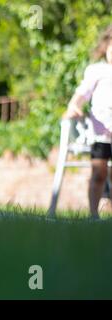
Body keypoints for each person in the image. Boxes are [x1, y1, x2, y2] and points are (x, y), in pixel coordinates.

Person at [64, 25, 112, 219]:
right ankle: (93, 215)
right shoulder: (98, 70)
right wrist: (73, 105)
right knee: (98, 173)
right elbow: (83, 92)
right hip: (101, 133)